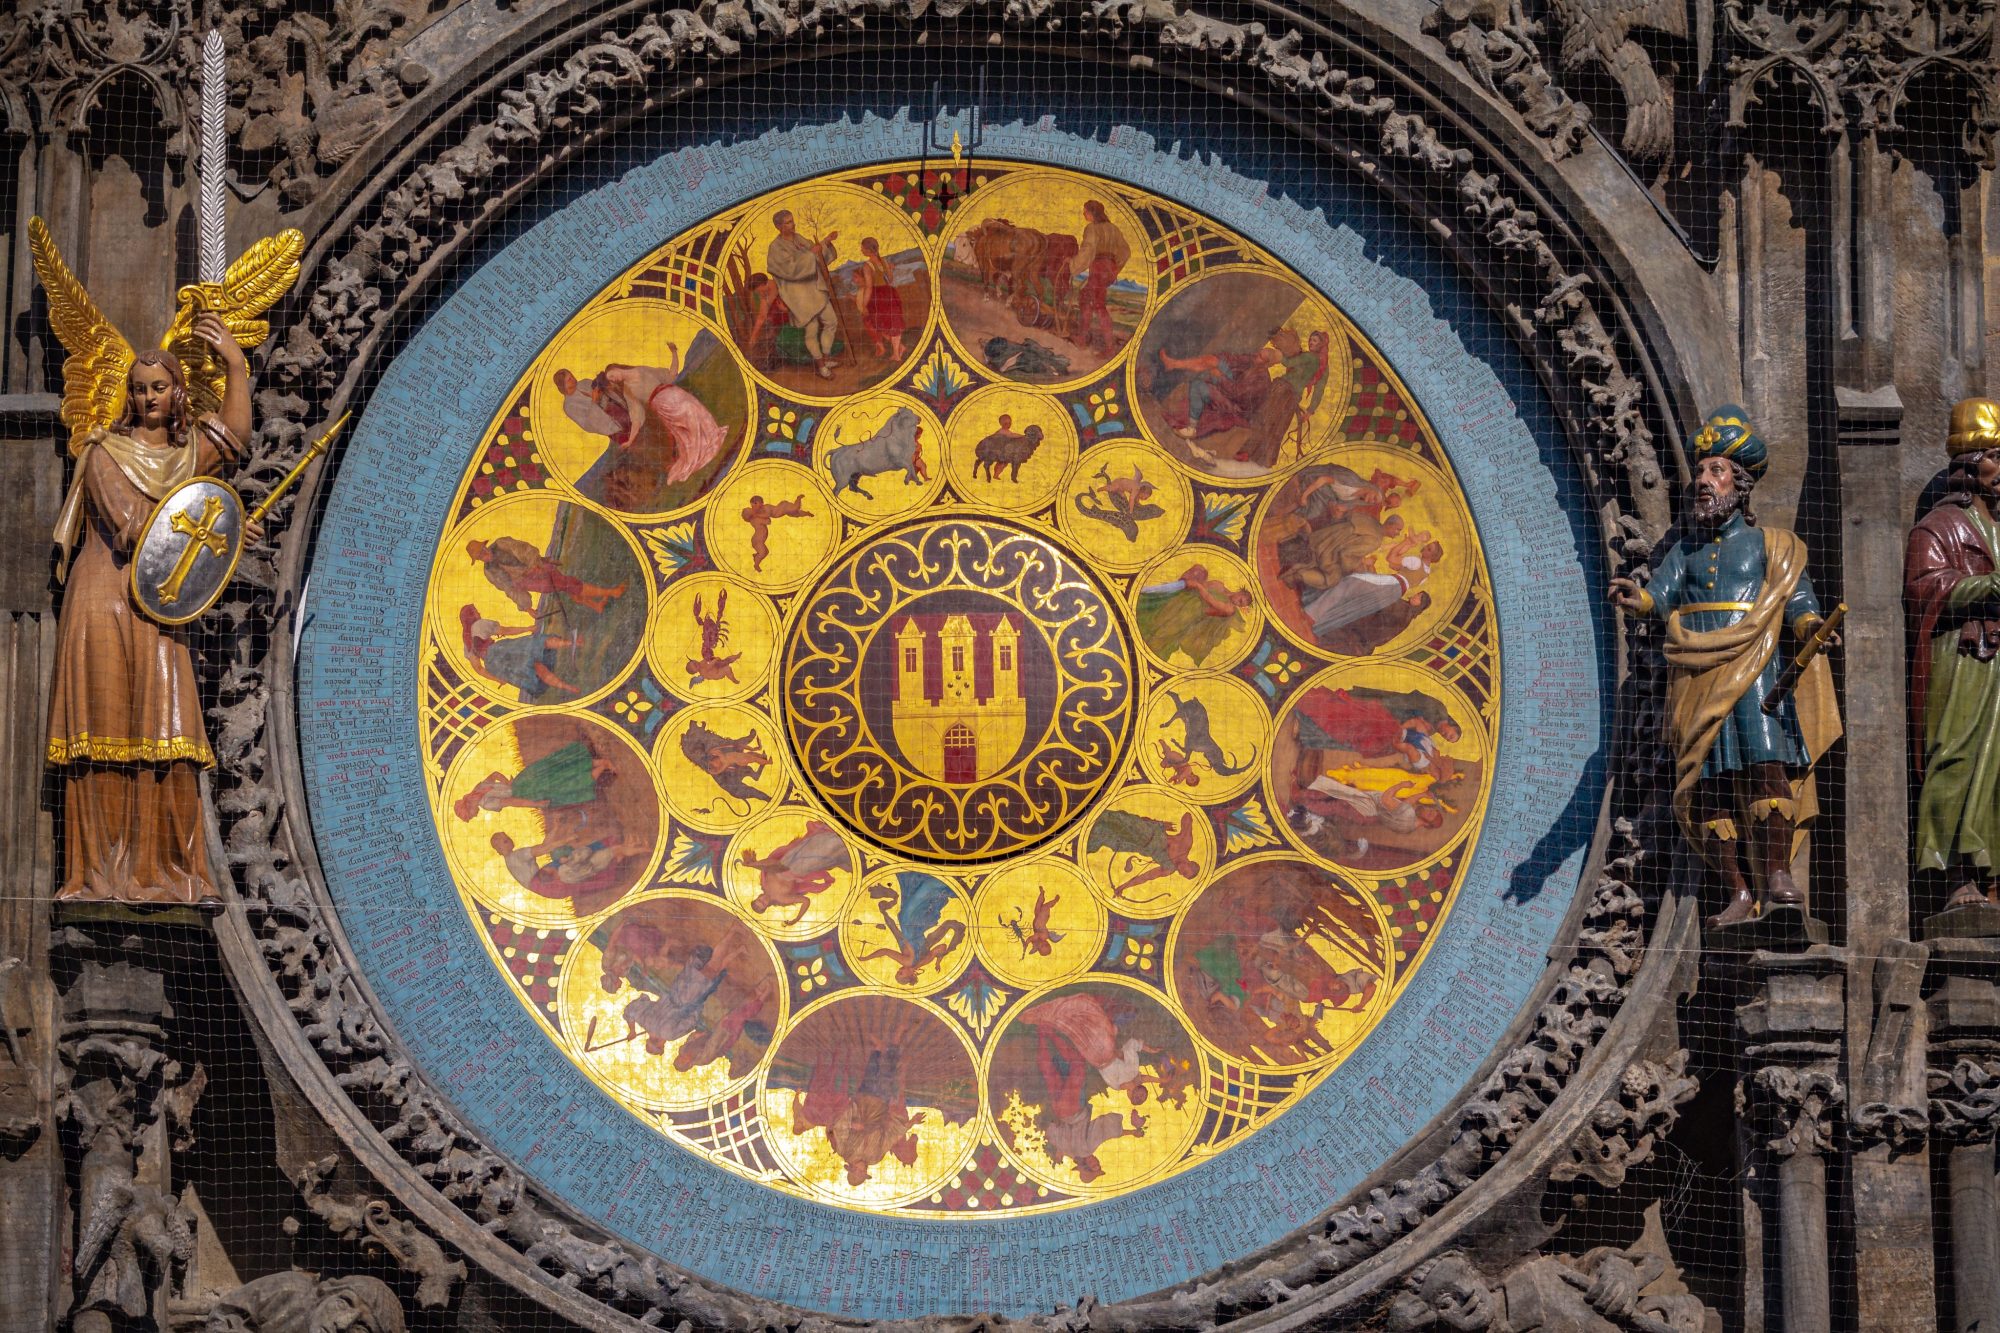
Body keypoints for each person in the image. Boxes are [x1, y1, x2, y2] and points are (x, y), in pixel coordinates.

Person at [1609, 406, 1842, 927]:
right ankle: (1737, 891)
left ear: (1741, 483)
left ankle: (1777, 874)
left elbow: (1797, 601)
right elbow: (1659, 597)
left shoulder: (1772, 546)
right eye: (1701, 471)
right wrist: (1637, 598)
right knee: (1705, 783)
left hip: (1757, 668)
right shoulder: (1685, 552)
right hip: (1696, 675)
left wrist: (1808, 629)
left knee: (1767, 767)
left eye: (1716, 471)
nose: (1703, 482)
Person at [47, 322, 252, 904]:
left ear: (178, 392)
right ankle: (100, 876)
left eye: (159, 387)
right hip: (105, 597)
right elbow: (135, 529)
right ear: (128, 396)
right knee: (105, 730)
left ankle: (167, 873)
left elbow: (235, 434)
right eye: (139, 389)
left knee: (170, 728)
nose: (148, 397)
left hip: (159, 604)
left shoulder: (188, 453)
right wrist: (217, 529)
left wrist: (235, 364)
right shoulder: (104, 453)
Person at [1906, 398, 2000, 909]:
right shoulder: (1939, 528)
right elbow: (1922, 589)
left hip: (1998, 664)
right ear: (1969, 464)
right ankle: (1956, 875)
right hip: (1963, 662)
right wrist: (1986, 587)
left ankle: (1994, 878)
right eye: (1996, 457)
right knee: (1958, 758)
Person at [765, 210, 841, 380]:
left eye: (792, 221)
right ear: (778, 226)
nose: (792, 225)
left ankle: (826, 358)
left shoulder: (799, 238)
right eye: (787, 222)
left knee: (831, 322)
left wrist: (826, 242)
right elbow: (790, 269)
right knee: (811, 331)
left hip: (816, 290)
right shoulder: (775, 248)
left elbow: (816, 254)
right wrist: (812, 254)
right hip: (799, 297)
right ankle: (821, 366)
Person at [466, 536, 625, 613]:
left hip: (538, 567)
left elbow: (526, 549)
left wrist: (535, 564)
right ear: (478, 559)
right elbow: (510, 589)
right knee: (569, 584)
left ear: (485, 546)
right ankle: (612, 592)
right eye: (480, 554)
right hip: (530, 582)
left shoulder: (502, 543)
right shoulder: (490, 572)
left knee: (567, 586)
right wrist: (527, 607)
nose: (484, 553)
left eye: (483, 549)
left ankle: (596, 606)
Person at [1070, 201, 1132, 354]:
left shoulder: (1092, 228)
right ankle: (1085, 338)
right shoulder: (1114, 229)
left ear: (1093, 213)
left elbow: (1088, 250)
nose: (1083, 214)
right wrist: (1115, 268)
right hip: (1108, 269)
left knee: (1095, 304)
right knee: (1090, 300)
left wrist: (1072, 264)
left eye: (1085, 211)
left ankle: (1099, 345)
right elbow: (1125, 251)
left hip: (1098, 268)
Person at [853, 237, 906, 361]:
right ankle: (898, 350)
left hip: (878, 296)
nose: (861, 250)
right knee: (892, 323)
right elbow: (890, 280)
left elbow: (869, 288)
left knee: (881, 324)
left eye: (862, 248)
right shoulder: (884, 261)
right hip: (889, 293)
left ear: (868, 250)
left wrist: (865, 305)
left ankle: (897, 354)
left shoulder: (867, 266)